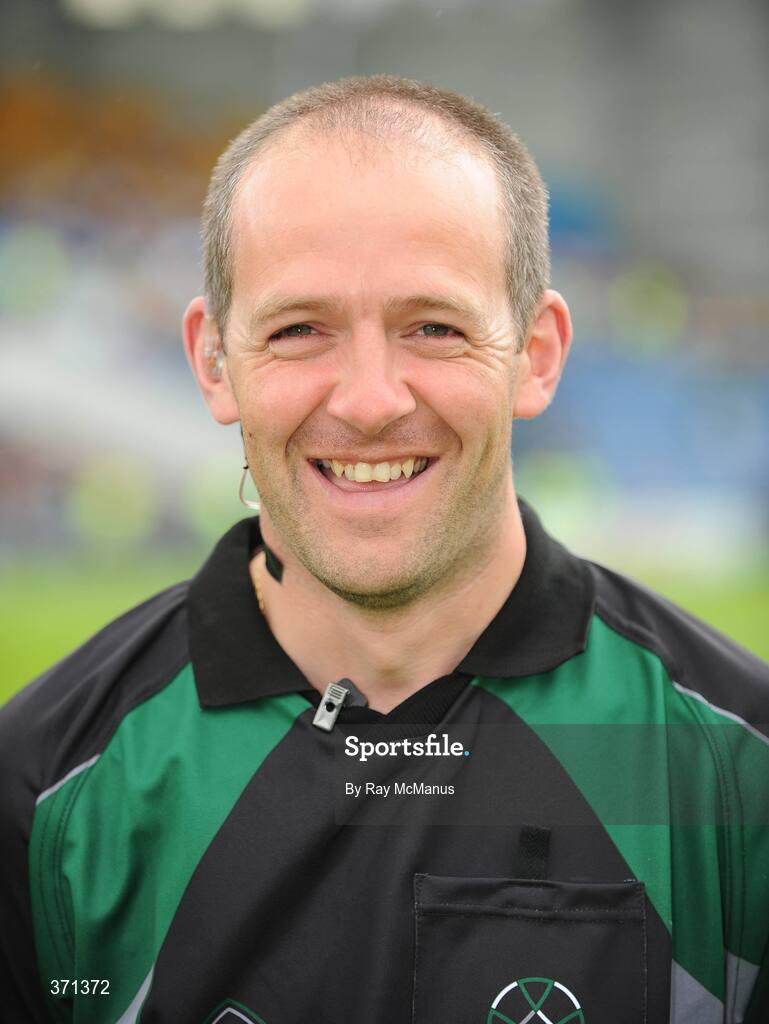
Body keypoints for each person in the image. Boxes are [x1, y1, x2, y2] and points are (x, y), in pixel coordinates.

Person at [1, 74, 767, 1024]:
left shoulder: (738, 770)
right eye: (299, 329)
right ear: (213, 360)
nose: (369, 401)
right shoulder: (44, 785)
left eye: (433, 327)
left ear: (536, 353)